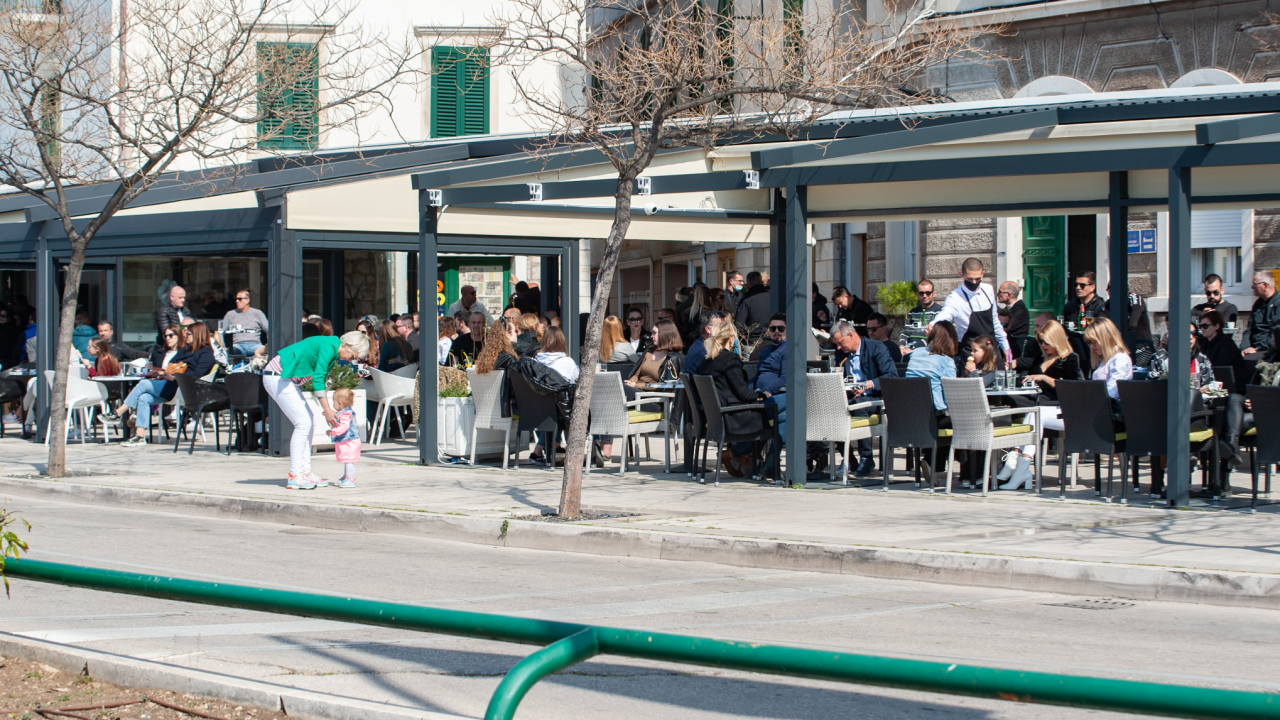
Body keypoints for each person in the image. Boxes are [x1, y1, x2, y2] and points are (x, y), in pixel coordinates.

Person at [261, 331, 370, 489]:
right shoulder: (330, 346)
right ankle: (295, 475)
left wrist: (327, 409)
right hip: (277, 376)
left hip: (282, 378)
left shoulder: (332, 348)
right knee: (303, 423)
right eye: (353, 356)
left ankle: (305, 472)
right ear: (348, 346)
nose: (351, 360)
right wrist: (327, 410)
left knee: (309, 422)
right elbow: (318, 379)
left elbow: (320, 377)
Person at [997, 320, 1083, 490]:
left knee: (1035, 413)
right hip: (1038, 403)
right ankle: (1019, 466)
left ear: (1057, 340)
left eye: (1047, 342)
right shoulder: (1041, 357)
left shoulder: (1070, 359)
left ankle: (1015, 463)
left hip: (1061, 409)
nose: (1043, 345)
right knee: (1016, 404)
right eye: (1041, 341)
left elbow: (1075, 387)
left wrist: (1045, 378)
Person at [110, 325, 208, 446]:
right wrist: (163, 373)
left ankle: (118, 413)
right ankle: (140, 436)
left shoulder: (205, 352)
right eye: (165, 336)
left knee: (144, 384)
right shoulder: (187, 351)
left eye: (188, 334)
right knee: (144, 397)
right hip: (173, 387)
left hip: (186, 390)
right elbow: (174, 367)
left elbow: (196, 374)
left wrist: (173, 377)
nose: (185, 336)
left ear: (198, 335)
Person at [701, 320, 769, 479]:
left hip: (715, 417)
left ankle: (744, 457)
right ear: (730, 338)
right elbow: (743, 394)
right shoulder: (730, 359)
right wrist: (763, 395)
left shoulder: (706, 360)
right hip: (732, 416)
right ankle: (739, 455)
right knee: (772, 417)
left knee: (771, 415)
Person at [830, 319, 898, 477]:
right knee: (831, 410)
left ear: (851, 335)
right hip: (851, 397)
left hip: (876, 398)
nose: (838, 347)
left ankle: (866, 457)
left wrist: (867, 385)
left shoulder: (876, 348)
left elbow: (891, 376)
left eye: (840, 342)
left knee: (859, 406)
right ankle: (848, 458)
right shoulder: (841, 354)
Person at [931, 258, 1011, 360]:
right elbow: (946, 313)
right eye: (970, 279)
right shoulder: (955, 298)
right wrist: (933, 324)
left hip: (991, 350)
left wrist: (1005, 347)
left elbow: (994, 320)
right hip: (970, 353)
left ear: (983, 274)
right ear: (961, 274)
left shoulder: (988, 289)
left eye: (978, 279)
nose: (974, 282)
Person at [906, 321, 958, 412]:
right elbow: (950, 398)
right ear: (952, 340)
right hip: (935, 412)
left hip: (909, 410)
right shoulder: (947, 361)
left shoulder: (915, 353)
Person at [1083, 317, 1132, 406]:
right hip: (1102, 407)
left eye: (1094, 342)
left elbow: (1113, 390)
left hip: (1110, 409)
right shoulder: (1106, 358)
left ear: (1106, 338)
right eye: (1089, 343)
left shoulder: (1119, 358)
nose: (1091, 346)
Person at [1197, 310, 1246, 388]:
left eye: (1205, 326)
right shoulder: (1203, 342)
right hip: (1212, 382)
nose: (1202, 329)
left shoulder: (1226, 344)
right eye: (1200, 326)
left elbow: (1220, 368)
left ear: (1217, 326)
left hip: (1231, 385)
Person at [327, 387, 361, 488]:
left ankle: (350, 479)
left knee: (349, 461)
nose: (333, 404)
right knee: (347, 460)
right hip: (348, 442)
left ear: (340, 403)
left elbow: (344, 427)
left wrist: (333, 431)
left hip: (350, 442)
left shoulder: (346, 414)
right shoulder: (344, 413)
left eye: (334, 402)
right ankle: (346, 477)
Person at [220, 289, 269, 356]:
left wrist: (268, 344)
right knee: (227, 354)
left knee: (267, 353)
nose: (237, 301)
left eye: (240, 299)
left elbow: (268, 329)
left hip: (255, 345)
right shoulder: (230, 314)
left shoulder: (258, 313)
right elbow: (221, 331)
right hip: (237, 345)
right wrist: (223, 347)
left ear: (247, 300)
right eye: (236, 299)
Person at [1244, 271, 1279, 358]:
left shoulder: (1278, 304)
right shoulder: (1257, 304)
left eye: (1255, 284)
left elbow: (1275, 334)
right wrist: (1244, 348)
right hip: (1253, 350)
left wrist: (1258, 349)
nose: (1252, 287)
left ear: (1265, 285)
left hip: (1268, 351)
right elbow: (1249, 329)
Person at [683, 310, 726, 375]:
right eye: (721, 327)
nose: (725, 330)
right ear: (708, 329)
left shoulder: (699, 345)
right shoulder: (706, 351)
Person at [734, 272, 771, 342]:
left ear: (747, 285)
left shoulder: (746, 300)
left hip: (752, 340)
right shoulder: (772, 297)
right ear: (761, 282)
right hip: (770, 339)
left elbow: (739, 326)